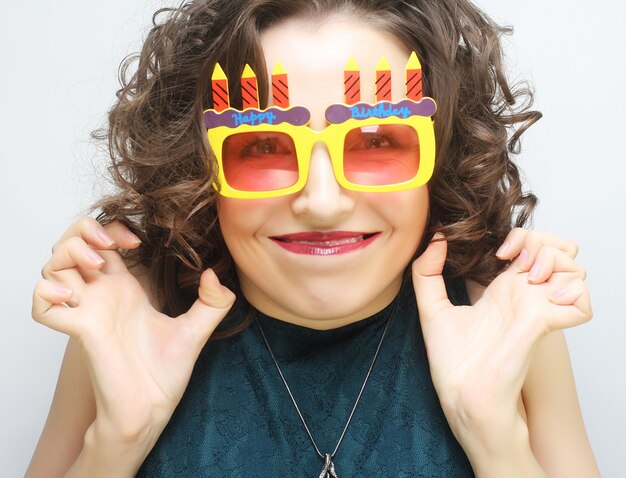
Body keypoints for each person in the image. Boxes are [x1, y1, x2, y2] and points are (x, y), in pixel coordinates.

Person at [27, 0, 600, 476]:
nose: (322, 203)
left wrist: (494, 437)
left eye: (377, 141)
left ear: (441, 157)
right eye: (262, 146)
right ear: (198, 168)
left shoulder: (499, 311)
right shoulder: (136, 311)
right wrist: (118, 439)